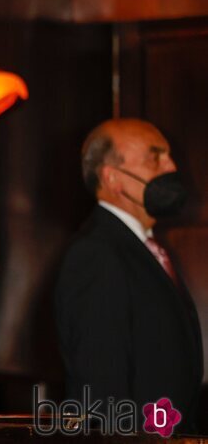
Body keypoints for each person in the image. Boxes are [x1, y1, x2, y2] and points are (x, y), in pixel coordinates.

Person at [55, 119, 202, 432]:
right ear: (113, 178)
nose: (172, 166)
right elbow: (102, 390)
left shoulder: (144, 248)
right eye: (155, 157)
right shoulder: (96, 255)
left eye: (169, 156)